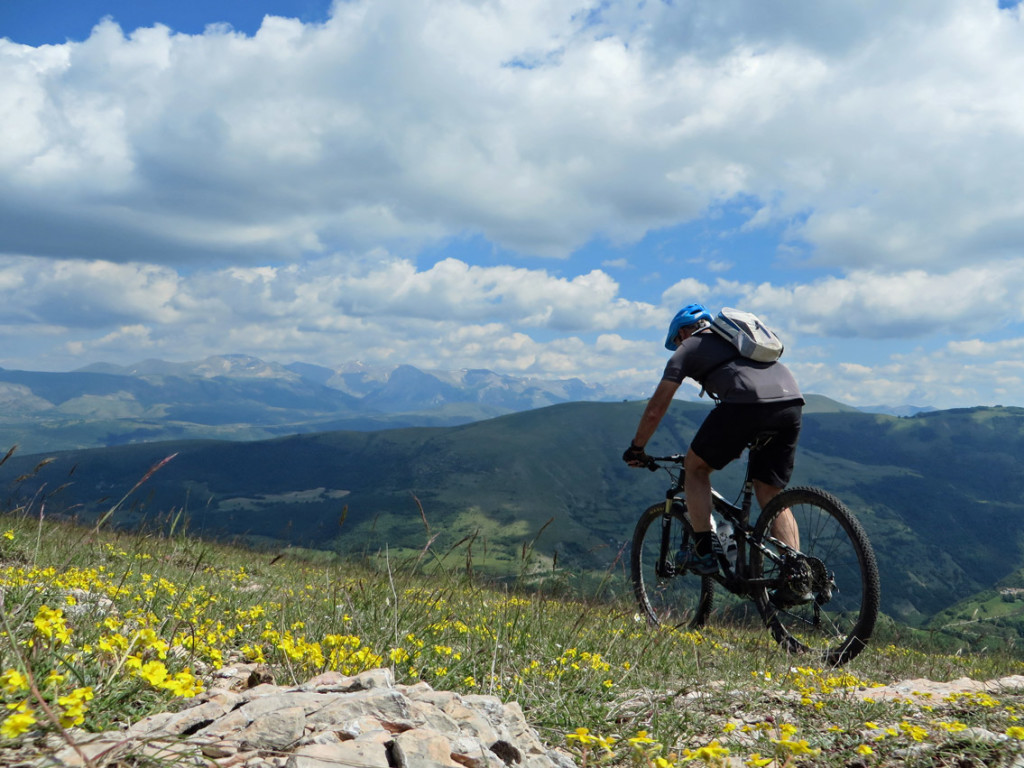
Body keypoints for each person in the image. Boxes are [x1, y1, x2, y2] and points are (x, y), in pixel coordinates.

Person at [623, 303, 804, 578]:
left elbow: (656, 408)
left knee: (695, 468)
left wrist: (637, 447)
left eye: (676, 340)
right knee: (770, 493)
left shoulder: (690, 346)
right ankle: (797, 573)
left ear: (683, 331)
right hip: (791, 402)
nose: (678, 345)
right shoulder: (740, 341)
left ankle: (703, 552)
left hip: (745, 405)